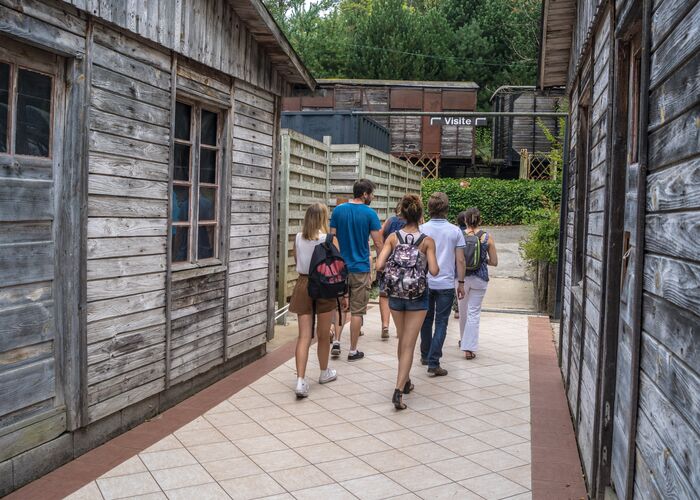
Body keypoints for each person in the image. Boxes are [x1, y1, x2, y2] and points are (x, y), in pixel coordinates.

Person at [376, 194, 439, 410]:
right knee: (409, 344)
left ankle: (406, 380)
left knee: (402, 341)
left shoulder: (393, 237)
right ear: (421, 215)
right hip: (418, 296)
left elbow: (378, 264)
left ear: (402, 214)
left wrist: (396, 270)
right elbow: (434, 270)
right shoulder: (427, 241)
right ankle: (398, 389)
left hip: (395, 295)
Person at [289, 203, 341, 397]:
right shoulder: (329, 239)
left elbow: (297, 262)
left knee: (303, 336)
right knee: (322, 335)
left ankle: (301, 381)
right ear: (323, 218)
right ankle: (323, 372)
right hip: (325, 287)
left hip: (303, 285)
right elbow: (337, 267)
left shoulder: (297, 238)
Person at [330, 179, 383, 361]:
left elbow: (332, 238)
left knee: (340, 306)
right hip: (360, 267)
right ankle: (352, 350)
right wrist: (381, 262)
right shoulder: (370, 214)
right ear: (365, 194)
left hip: (339, 267)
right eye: (372, 194)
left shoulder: (338, 210)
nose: (373, 197)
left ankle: (336, 341)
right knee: (357, 310)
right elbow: (377, 242)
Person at [419, 192, 466, 376]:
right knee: (441, 322)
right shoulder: (455, 231)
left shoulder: (422, 229)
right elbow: (460, 260)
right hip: (445, 283)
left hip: (425, 281)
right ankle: (434, 361)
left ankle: (425, 354)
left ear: (429, 208)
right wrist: (461, 283)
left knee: (425, 320)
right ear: (447, 208)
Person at [457, 207, 498, 359]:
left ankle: (463, 341)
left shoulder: (459, 235)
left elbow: (456, 258)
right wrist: (483, 260)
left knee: (463, 311)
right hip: (480, 279)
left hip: (461, 278)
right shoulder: (487, 237)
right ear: (480, 220)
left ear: (465, 220)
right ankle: (469, 348)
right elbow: (494, 262)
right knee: (474, 312)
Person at [378, 203, 406, 339]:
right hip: (406, 265)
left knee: (384, 294)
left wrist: (383, 250)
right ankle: (400, 328)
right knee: (401, 295)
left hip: (389, 263)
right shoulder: (413, 222)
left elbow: (379, 234)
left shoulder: (390, 221)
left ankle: (385, 325)